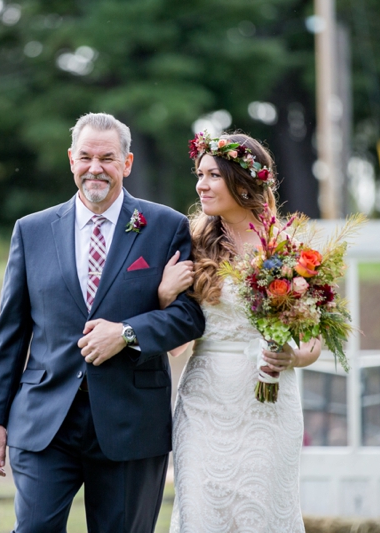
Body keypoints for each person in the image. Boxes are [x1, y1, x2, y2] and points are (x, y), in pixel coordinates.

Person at [0, 112, 205, 533]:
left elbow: (190, 316)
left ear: (127, 163)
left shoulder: (166, 226)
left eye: (107, 158)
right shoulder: (32, 231)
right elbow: (10, 333)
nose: (95, 168)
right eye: (85, 157)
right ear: (70, 160)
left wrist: (127, 333)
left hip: (130, 421)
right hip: (45, 419)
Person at [158, 133, 323, 532]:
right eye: (200, 174)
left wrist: (293, 357)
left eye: (213, 175)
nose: (201, 184)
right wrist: (164, 296)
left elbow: (315, 339)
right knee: (201, 514)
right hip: (204, 406)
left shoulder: (287, 248)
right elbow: (177, 347)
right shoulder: (191, 244)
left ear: (243, 181)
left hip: (269, 404)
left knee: (262, 515)